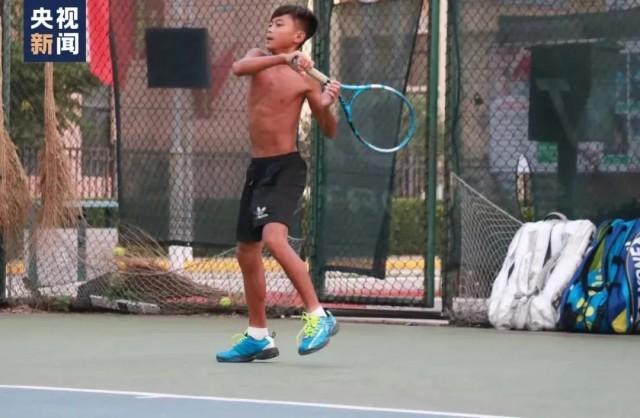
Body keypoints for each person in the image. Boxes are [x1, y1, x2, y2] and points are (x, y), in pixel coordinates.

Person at [216, 5, 341, 363]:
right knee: (247, 252)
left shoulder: (307, 78)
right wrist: (284, 58)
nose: (270, 28)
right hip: (257, 169)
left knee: (274, 238)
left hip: (285, 168)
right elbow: (239, 68)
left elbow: (329, 130)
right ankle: (258, 336)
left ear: (298, 36)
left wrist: (326, 103)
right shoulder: (258, 57)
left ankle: (318, 315)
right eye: (270, 23)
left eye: (279, 24)